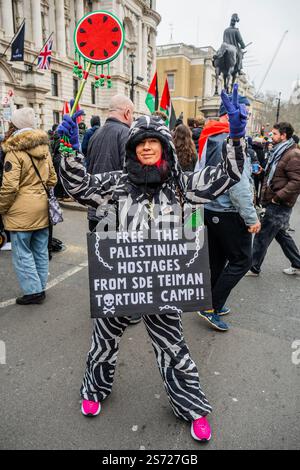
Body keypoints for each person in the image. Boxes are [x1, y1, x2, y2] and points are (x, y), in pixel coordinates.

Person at [57, 85, 248, 443]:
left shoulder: (181, 185)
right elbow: (79, 187)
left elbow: (226, 177)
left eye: (152, 141)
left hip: (164, 282)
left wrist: (237, 137)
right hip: (120, 280)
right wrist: (67, 149)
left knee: (173, 346)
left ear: (164, 146)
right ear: (132, 148)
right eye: (139, 142)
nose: (145, 146)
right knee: (103, 340)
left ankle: (191, 406)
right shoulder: (116, 184)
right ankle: (94, 389)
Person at [196, 86, 261, 331]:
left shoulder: (209, 136)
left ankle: (209, 302)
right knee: (242, 261)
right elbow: (238, 183)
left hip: (211, 209)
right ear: (234, 113)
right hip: (229, 211)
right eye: (245, 111)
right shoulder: (235, 139)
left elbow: (199, 172)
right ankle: (212, 305)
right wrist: (251, 217)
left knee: (216, 260)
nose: (247, 116)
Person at [0, 108, 57, 304]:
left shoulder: (14, 151)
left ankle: (33, 292)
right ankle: (40, 287)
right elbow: (52, 179)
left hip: (20, 210)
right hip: (42, 206)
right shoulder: (44, 149)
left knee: (22, 252)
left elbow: (9, 186)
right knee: (40, 249)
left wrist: (1, 208)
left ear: (14, 125)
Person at [246, 122, 300, 277]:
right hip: (275, 201)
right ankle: (297, 263)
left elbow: (297, 182)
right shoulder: (281, 151)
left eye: (275, 133)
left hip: (280, 203)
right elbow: (278, 176)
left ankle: (253, 267)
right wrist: (263, 173)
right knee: (280, 234)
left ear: (284, 136)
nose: (271, 136)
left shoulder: (293, 154)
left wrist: (277, 197)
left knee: (262, 235)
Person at [85, 95, 134, 232]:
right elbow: (130, 175)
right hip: (116, 213)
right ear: (127, 113)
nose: (132, 119)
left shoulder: (94, 134)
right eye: (132, 115)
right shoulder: (127, 134)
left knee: (98, 251)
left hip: (95, 209)